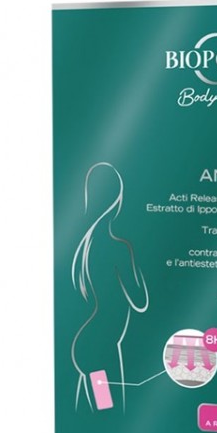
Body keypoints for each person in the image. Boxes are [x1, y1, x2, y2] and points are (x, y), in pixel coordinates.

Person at [71, 162, 149, 412]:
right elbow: (140, 301)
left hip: (87, 344)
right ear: (117, 199)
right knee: (109, 412)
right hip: (100, 350)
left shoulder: (82, 248)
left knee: (95, 414)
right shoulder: (118, 248)